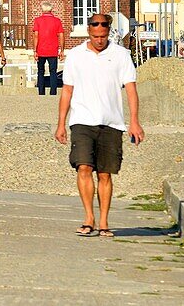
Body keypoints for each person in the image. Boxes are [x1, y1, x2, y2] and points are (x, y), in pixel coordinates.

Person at [55, 13, 144, 238]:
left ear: (108, 33)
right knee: (83, 167)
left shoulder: (121, 55)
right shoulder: (75, 56)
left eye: (103, 35)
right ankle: (88, 218)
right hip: (82, 120)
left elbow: (131, 89)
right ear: (89, 32)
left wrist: (134, 121)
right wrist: (61, 124)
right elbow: (67, 90)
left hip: (111, 121)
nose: (99, 39)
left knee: (105, 173)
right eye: (96, 35)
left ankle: (104, 221)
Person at [32, 2, 66, 95]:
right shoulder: (57, 21)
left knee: (40, 71)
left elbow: (36, 36)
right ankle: (53, 92)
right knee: (53, 72)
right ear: (51, 9)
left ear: (42, 9)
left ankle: (41, 92)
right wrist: (62, 50)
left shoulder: (37, 20)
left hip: (41, 50)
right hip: (53, 50)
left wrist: (35, 50)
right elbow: (61, 35)